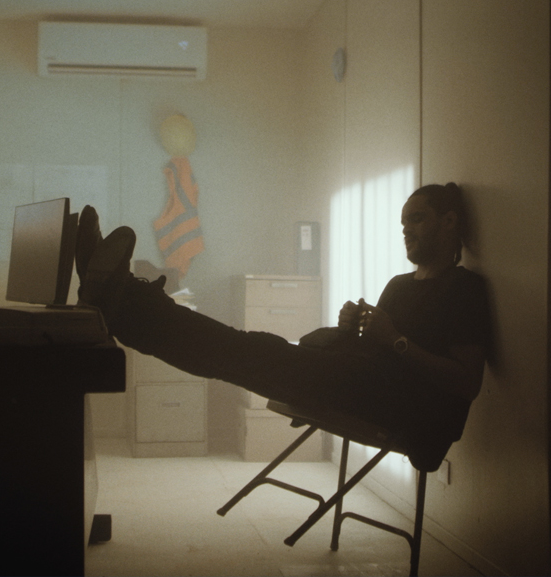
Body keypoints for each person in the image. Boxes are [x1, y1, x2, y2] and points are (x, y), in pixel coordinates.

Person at [76, 182, 491, 472]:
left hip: (403, 407)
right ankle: (125, 306)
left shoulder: (464, 289)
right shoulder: (399, 285)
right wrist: (352, 328)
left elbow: (467, 383)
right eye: (404, 223)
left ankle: (125, 302)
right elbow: (376, 347)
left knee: (242, 351)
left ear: (449, 221)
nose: (407, 230)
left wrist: (395, 340)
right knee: (241, 351)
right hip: (358, 378)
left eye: (417, 219)